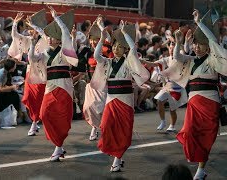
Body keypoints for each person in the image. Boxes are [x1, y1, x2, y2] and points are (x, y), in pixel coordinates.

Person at [163, 9, 227, 179]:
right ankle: (200, 166)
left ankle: (200, 169)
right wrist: (178, 41)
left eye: (200, 44)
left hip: (210, 103)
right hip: (194, 103)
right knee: (191, 132)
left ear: (208, 46)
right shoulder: (190, 61)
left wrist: (198, 22)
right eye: (195, 44)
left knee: (206, 136)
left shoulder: (214, 59)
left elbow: (214, 40)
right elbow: (177, 55)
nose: (197, 47)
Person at [92, 21, 149, 172]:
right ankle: (116, 155)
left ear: (124, 49)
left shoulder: (130, 62)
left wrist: (124, 34)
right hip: (111, 99)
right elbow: (96, 55)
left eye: (120, 47)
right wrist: (102, 37)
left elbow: (133, 48)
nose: (116, 49)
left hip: (126, 101)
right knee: (105, 126)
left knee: (123, 130)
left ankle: (118, 158)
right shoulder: (108, 62)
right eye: (115, 46)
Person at [28, 7, 78, 161]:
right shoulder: (44, 53)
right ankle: (59, 145)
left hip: (64, 86)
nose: (49, 39)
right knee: (44, 114)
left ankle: (58, 146)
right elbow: (31, 58)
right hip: (50, 86)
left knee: (62, 117)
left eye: (52, 37)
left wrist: (57, 18)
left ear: (59, 38)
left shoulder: (65, 50)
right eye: (48, 37)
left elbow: (65, 35)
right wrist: (32, 42)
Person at [142, 41, 187, 132]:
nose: (171, 50)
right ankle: (163, 121)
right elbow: (154, 64)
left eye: (174, 48)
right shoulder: (166, 59)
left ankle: (172, 125)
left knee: (172, 108)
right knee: (159, 101)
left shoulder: (181, 59)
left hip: (177, 87)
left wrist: (181, 47)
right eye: (170, 48)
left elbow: (184, 53)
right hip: (167, 86)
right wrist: (143, 61)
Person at [82, 19, 107, 141]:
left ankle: (100, 128)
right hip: (91, 84)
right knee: (88, 107)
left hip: (103, 84)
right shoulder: (87, 52)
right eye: (91, 39)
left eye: (95, 39)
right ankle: (94, 127)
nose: (92, 42)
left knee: (101, 108)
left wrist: (101, 27)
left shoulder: (106, 52)